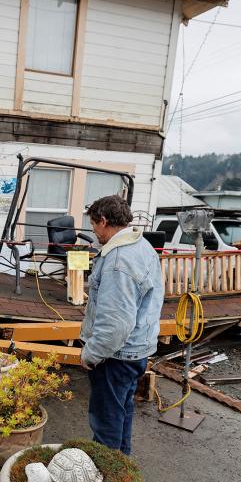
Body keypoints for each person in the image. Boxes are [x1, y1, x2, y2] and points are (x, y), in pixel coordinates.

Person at [79, 195, 164, 455]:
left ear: (104, 221)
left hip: (115, 356)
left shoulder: (118, 261)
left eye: (94, 225)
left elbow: (115, 324)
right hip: (136, 351)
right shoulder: (142, 245)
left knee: (106, 423)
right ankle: (122, 468)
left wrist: (91, 354)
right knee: (122, 414)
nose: (94, 232)